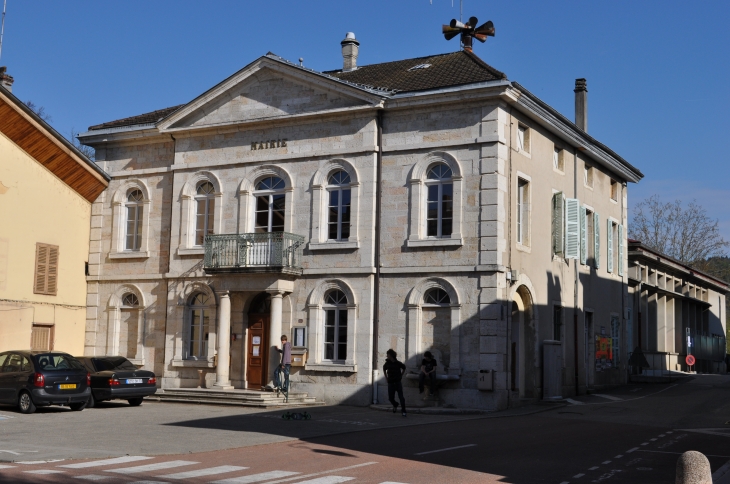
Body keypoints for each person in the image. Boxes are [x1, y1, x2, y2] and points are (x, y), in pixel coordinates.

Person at [383, 349, 407, 417]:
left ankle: (403, 411)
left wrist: (401, 375)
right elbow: (384, 369)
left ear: (390, 355)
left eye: (387, 355)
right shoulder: (387, 363)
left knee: (401, 397)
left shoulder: (398, 363)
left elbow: (404, 368)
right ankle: (395, 404)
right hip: (390, 382)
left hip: (397, 382)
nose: (387, 356)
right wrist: (386, 377)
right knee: (390, 398)